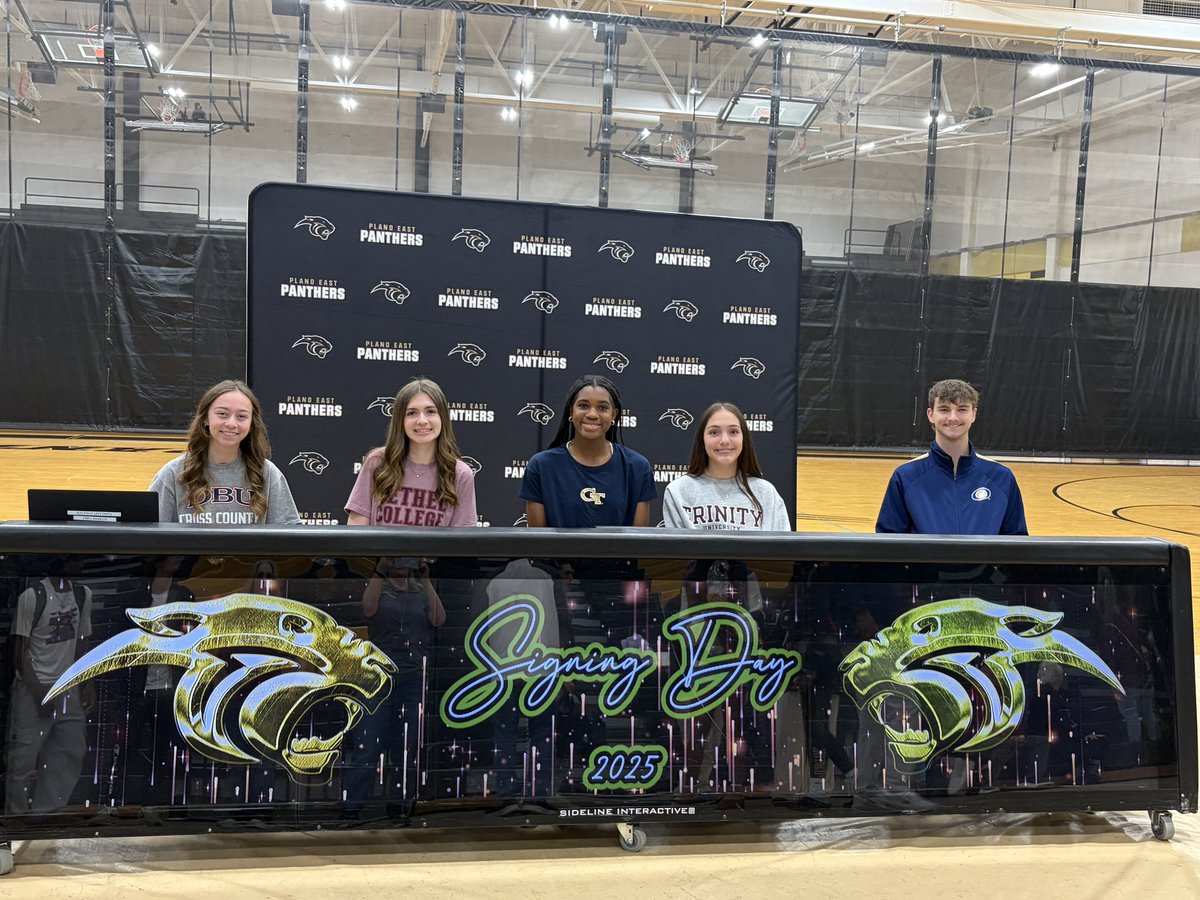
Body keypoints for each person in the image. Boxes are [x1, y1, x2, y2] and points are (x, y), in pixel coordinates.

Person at [341, 557, 444, 820]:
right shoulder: (380, 587)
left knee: (407, 746)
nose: (400, 562)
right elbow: (368, 608)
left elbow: (439, 618)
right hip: (379, 678)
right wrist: (379, 569)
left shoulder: (421, 591)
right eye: (395, 557)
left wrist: (425, 578)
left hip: (412, 678)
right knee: (368, 744)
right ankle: (351, 807)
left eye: (404, 557)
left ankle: (399, 804)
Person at [875, 378, 1027, 535]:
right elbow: (889, 544)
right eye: (944, 409)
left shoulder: (1001, 477)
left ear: (973, 414)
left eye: (962, 409)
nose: (953, 418)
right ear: (931, 415)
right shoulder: (905, 476)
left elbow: (1016, 543)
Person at [5, 559, 95, 814]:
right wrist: (37, 692)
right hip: (34, 686)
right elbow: (19, 650)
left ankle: (46, 814)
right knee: (23, 759)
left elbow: (82, 643)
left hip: (66, 686)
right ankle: (17, 818)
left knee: (69, 752)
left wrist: (87, 682)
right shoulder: (33, 596)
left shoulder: (82, 595)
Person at [149, 379, 301, 525]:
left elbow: (289, 537)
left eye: (241, 416)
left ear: (251, 424)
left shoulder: (267, 473)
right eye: (222, 414)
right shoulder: (173, 473)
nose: (231, 423)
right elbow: (148, 535)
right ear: (206, 419)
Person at [520, 374, 655, 528]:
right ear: (571, 411)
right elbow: (538, 544)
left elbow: (637, 545)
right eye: (583, 406)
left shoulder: (638, 467)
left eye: (602, 408)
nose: (592, 414)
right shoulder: (541, 466)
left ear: (614, 415)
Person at [345, 378, 477, 527]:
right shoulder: (377, 462)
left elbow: (462, 542)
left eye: (430, 411)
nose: (422, 420)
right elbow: (356, 533)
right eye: (412, 413)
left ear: (443, 418)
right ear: (400, 420)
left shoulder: (460, 474)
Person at [662, 401, 791, 532]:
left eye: (733, 431)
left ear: (744, 439)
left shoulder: (766, 493)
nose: (724, 440)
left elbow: (781, 549)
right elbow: (676, 551)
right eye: (714, 432)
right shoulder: (678, 492)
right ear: (702, 440)